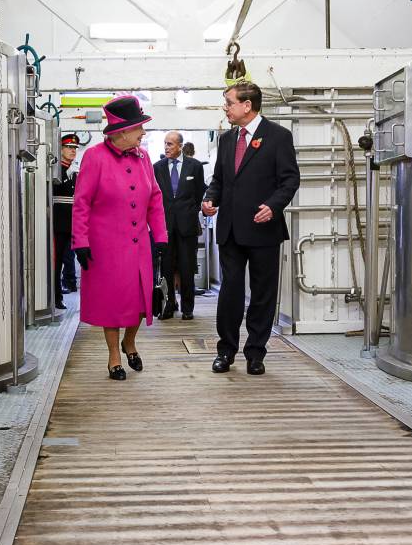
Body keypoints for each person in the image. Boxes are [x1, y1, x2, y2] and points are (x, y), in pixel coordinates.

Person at [201, 81, 300, 376]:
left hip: (263, 228)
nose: (225, 108)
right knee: (229, 292)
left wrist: (274, 205)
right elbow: (219, 179)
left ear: (247, 105)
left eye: (229, 102)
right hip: (230, 229)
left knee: (262, 294)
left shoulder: (279, 137)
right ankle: (225, 351)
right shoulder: (227, 140)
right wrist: (209, 198)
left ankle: (256, 353)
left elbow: (290, 180)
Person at [71, 96, 168, 380]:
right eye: (139, 128)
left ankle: (130, 341)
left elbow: (155, 199)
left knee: (140, 299)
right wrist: (80, 241)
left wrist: (160, 235)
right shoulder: (94, 157)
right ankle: (114, 356)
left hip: (139, 244)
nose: (143, 133)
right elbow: (82, 203)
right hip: (106, 246)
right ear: (122, 131)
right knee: (112, 302)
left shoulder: (144, 157)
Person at [154, 131, 206, 320]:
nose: (166, 147)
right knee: (166, 266)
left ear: (180, 146)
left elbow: (200, 191)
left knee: (186, 266)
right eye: (165, 144)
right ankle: (168, 305)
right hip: (165, 225)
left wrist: (190, 210)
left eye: (170, 144)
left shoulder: (195, 166)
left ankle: (187, 308)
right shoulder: (157, 167)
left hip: (187, 225)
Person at [52, 133, 80, 309]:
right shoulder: (57, 170)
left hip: (73, 223)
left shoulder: (74, 172)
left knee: (70, 258)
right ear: (61, 149)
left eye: (75, 148)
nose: (72, 151)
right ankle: (56, 296)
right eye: (69, 147)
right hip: (59, 222)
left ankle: (67, 285)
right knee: (57, 261)